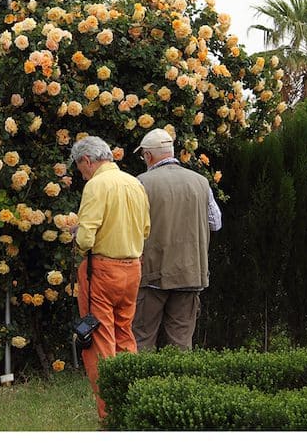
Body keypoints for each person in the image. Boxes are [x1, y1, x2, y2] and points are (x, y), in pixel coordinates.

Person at [70, 135, 150, 422]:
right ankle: (131, 405)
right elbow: (145, 230)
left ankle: (110, 415)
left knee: (99, 342)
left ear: (87, 161)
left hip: (102, 271)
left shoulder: (96, 186)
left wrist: (76, 236)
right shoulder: (135, 183)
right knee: (125, 335)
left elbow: (87, 237)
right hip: (132, 269)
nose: (82, 175)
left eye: (80, 169)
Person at [132, 128, 222, 351]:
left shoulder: (141, 183)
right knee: (181, 341)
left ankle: (140, 385)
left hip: (152, 273)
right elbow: (215, 223)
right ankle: (180, 385)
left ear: (148, 155)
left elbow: (131, 227)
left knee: (142, 337)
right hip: (191, 272)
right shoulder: (201, 181)